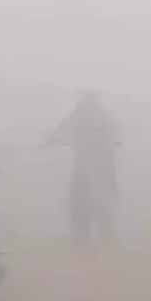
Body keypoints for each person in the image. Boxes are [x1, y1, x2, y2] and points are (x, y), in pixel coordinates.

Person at [43, 90, 121, 244]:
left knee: (83, 205)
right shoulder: (104, 115)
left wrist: (48, 141)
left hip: (86, 169)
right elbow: (117, 138)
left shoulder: (80, 114)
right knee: (103, 205)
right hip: (102, 169)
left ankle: (85, 242)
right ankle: (105, 240)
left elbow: (59, 133)